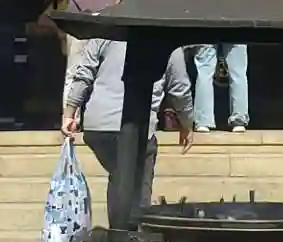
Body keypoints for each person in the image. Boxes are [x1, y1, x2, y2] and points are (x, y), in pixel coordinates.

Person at [62, 35, 194, 229]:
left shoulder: (106, 33)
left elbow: (84, 73)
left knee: (120, 177)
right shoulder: (167, 40)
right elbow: (180, 88)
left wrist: (70, 112)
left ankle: (118, 232)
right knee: (137, 185)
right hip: (136, 126)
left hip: (98, 125)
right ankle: (131, 235)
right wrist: (187, 123)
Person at [188, 0, 250, 133]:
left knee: (204, 69)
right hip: (236, 18)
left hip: (206, 18)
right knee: (238, 70)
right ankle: (239, 119)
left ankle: (203, 120)